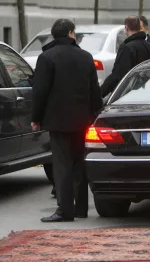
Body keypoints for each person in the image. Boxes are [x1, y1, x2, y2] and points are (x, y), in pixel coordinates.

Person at [31, 19, 103, 222]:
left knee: (61, 164)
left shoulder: (47, 57)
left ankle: (64, 210)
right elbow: (94, 90)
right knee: (79, 162)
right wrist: (95, 113)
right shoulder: (86, 57)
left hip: (57, 120)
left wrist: (36, 118)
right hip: (82, 119)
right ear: (71, 33)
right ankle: (81, 208)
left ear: (54, 35)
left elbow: (40, 91)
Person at [101, 16, 150, 98]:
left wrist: (101, 93)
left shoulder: (127, 47)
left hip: (129, 94)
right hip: (147, 91)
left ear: (126, 28)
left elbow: (118, 75)